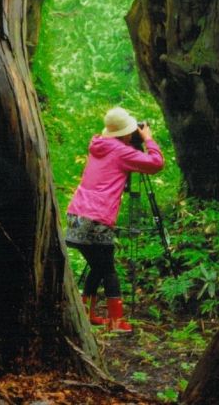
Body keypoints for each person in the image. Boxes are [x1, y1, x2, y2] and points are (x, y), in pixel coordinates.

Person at [65, 107, 164, 333]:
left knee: (97, 266)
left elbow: (118, 152)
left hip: (76, 216)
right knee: (108, 268)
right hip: (96, 219)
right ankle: (117, 321)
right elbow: (156, 163)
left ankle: (85, 313)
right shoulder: (122, 152)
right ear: (127, 133)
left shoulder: (99, 146)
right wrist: (148, 139)